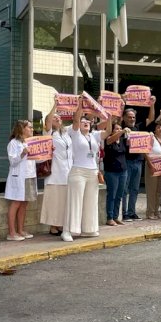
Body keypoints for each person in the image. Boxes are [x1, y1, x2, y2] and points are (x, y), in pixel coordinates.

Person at [62, 100, 113, 242]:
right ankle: (67, 230)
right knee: (75, 201)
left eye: (88, 122)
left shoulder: (94, 135)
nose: (85, 123)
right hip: (78, 171)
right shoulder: (75, 133)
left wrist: (109, 117)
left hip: (93, 172)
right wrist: (80, 105)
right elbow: (76, 118)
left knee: (91, 201)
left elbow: (108, 131)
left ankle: (89, 229)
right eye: (83, 121)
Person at [40, 105, 74, 234]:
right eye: (55, 118)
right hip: (55, 173)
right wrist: (55, 104)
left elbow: (77, 122)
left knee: (64, 201)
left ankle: (60, 225)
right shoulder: (49, 133)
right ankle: (53, 226)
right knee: (54, 201)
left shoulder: (65, 133)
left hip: (67, 172)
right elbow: (48, 119)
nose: (57, 118)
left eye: (59, 117)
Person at [121, 100, 156, 222]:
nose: (132, 119)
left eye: (133, 117)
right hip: (126, 162)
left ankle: (132, 212)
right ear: (124, 118)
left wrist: (152, 104)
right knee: (124, 189)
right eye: (129, 117)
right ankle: (123, 213)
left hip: (138, 161)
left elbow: (150, 119)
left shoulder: (138, 127)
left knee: (134, 189)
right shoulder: (120, 128)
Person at [4, 120, 37, 241]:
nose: (32, 129)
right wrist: (22, 153)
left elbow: (36, 159)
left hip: (29, 175)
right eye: (29, 127)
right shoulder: (13, 143)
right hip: (19, 177)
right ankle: (12, 233)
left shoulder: (31, 142)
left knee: (24, 203)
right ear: (22, 129)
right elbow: (13, 162)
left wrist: (48, 153)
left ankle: (21, 230)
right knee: (16, 203)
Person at [102, 122, 128, 226]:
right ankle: (110, 217)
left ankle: (116, 216)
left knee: (119, 195)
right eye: (116, 129)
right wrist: (122, 131)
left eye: (120, 128)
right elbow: (110, 140)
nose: (119, 130)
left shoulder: (122, 140)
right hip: (112, 171)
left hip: (123, 170)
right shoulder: (108, 139)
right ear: (112, 130)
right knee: (111, 195)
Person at [144, 122, 161, 220]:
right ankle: (150, 212)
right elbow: (145, 151)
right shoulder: (151, 137)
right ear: (155, 129)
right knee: (151, 190)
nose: (160, 129)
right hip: (152, 164)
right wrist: (150, 164)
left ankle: (157, 211)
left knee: (159, 190)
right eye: (158, 127)